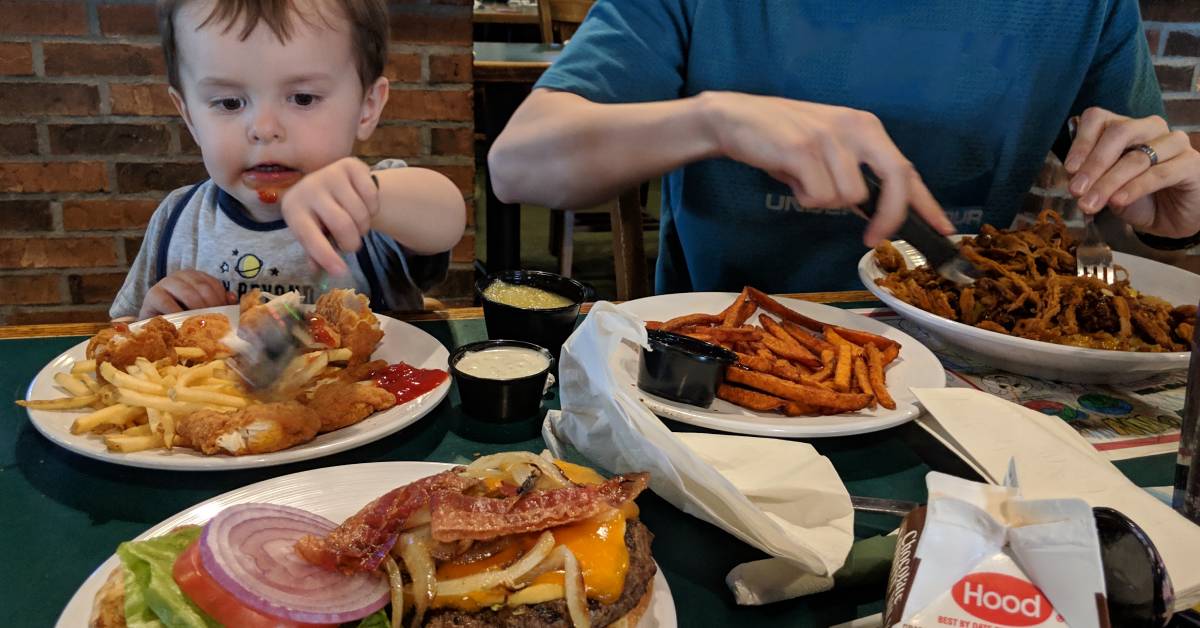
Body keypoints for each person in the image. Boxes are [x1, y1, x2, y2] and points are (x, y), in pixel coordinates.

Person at [489, 0, 1200, 294]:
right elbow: (516, 163)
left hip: (961, 348)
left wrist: (1176, 223)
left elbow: (1128, 210)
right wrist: (710, 120)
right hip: (718, 352)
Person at [110, 0, 466, 320]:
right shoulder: (177, 220)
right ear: (189, 117)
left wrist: (370, 198)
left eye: (303, 98)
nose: (264, 129)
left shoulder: (372, 202)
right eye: (230, 103)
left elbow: (447, 217)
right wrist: (155, 319)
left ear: (366, 107)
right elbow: (121, 335)